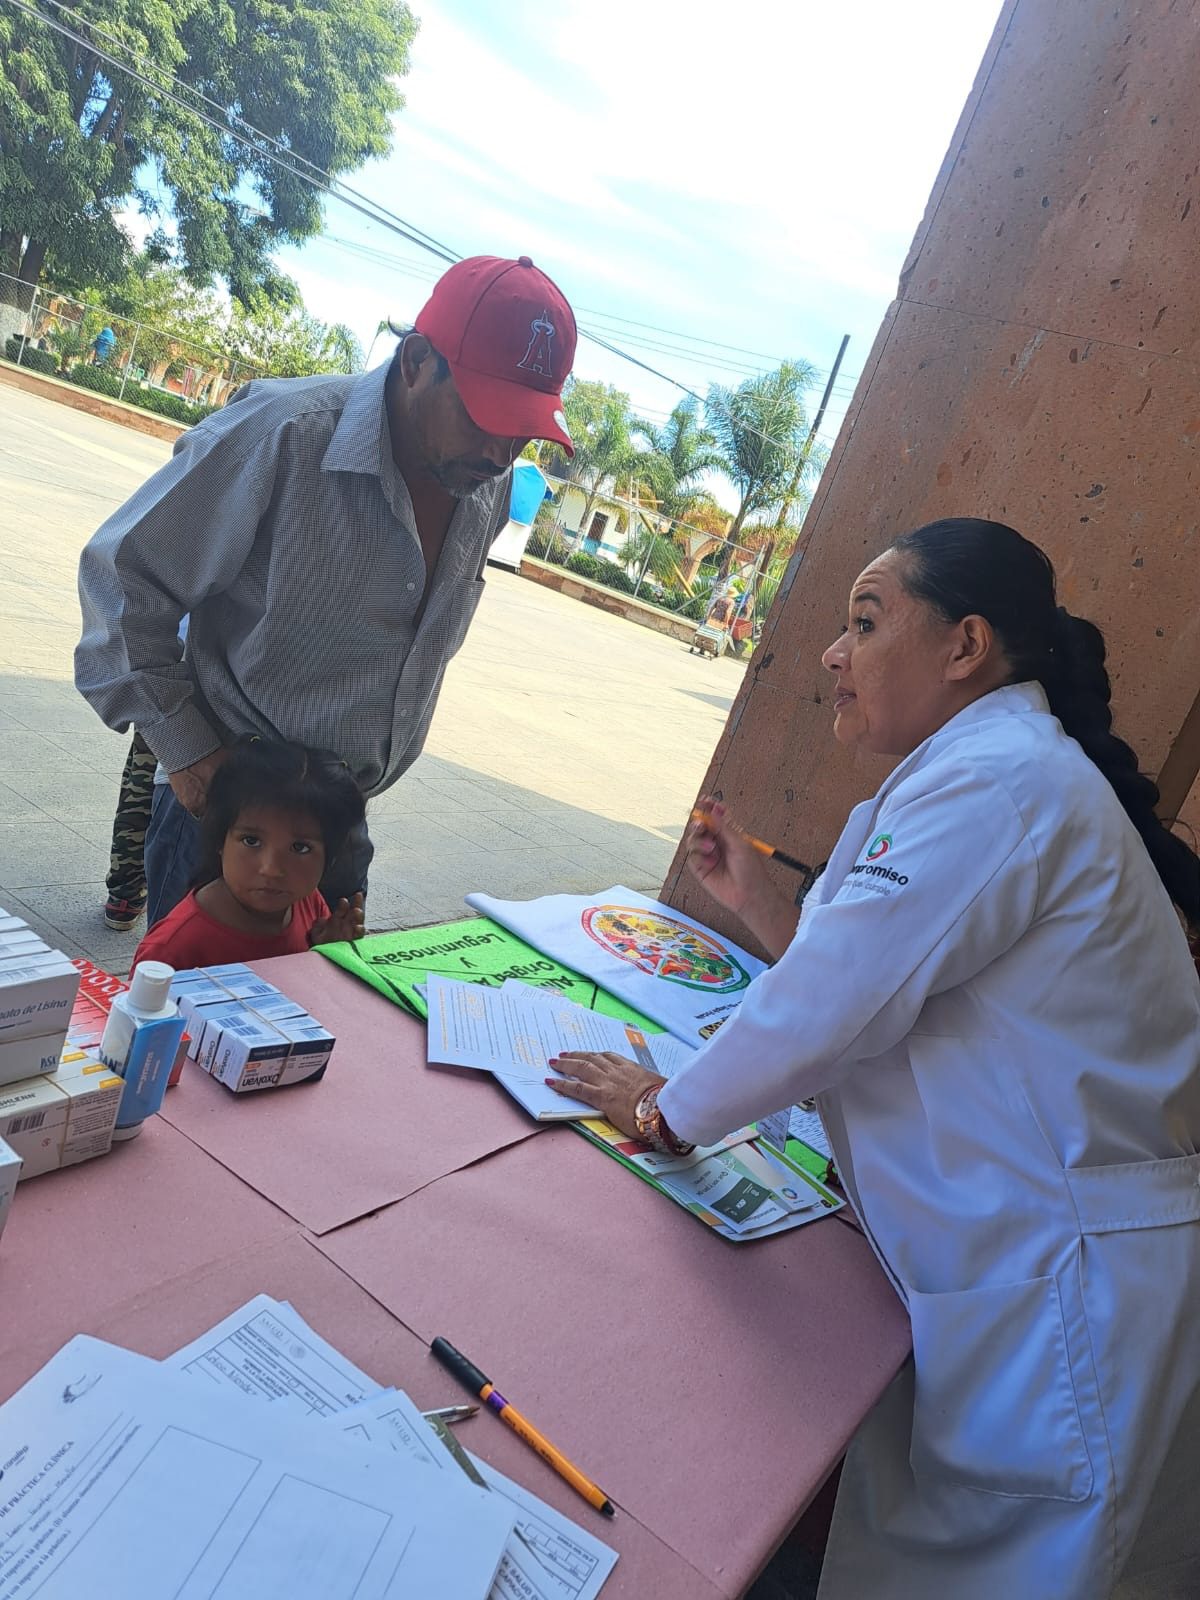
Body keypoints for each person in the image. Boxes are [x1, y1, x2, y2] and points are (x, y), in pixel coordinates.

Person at [546, 517, 1200, 1599]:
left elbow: (839, 1003)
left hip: (1067, 1302)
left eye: (865, 619)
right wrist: (762, 901)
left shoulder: (998, 780)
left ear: (964, 646)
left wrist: (664, 1106)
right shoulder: (991, 771)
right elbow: (889, 980)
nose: (831, 653)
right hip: (1041, 1270)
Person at [75, 255, 578, 927]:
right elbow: (124, 575)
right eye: (483, 417)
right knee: (196, 1026)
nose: (498, 453)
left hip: (340, 830)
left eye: (521, 430)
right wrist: (191, 756)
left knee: (319, 1027)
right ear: (416, 360)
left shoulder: (479, 488)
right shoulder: (285, 434)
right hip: (230, 826)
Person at [132, 738, 365, 970]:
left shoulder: (308, 903)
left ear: (330, 855)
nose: (272, 869)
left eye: (300, 848)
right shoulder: (172, 949)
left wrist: (326, 954)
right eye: (251, 841)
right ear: (220, 840)